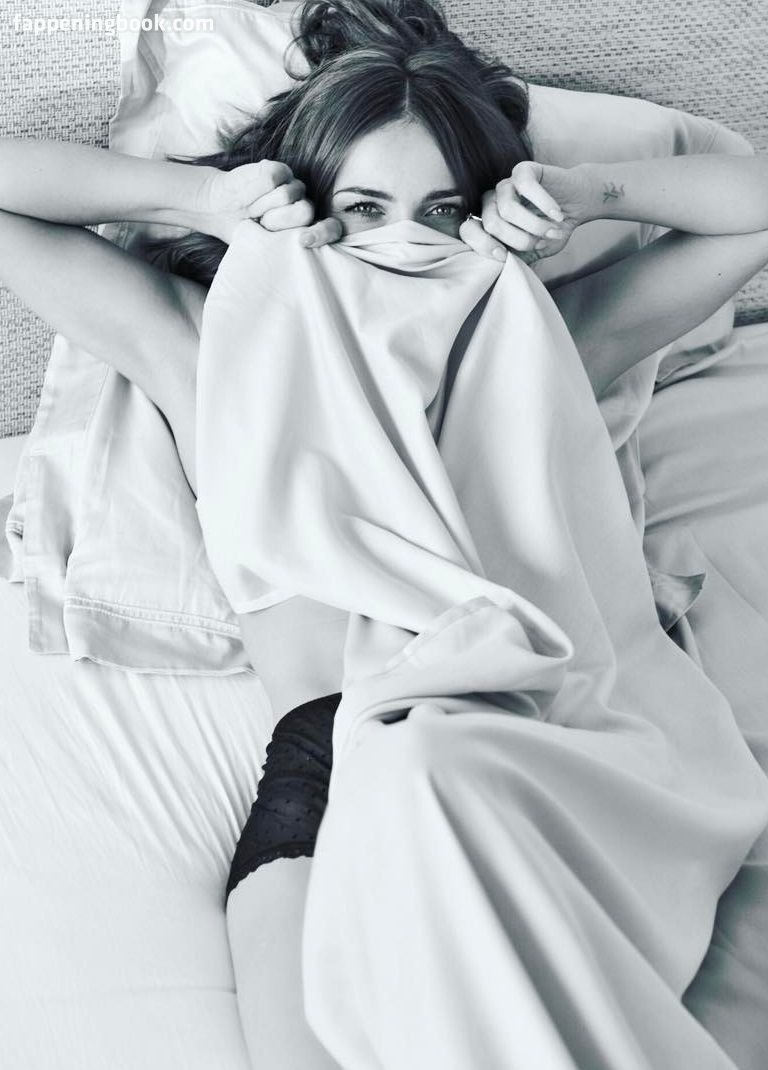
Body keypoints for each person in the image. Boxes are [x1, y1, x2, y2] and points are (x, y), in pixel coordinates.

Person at [2, 1, 768, 1065]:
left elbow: (751, 211)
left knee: (434, 779)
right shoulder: (209, 358)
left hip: (524, 744)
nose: (403, 245)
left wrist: (585, 194)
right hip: (320, 778)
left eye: (443, 212)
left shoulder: (545, 342)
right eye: (362, 209)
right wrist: (205, 199)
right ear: (303, 210)